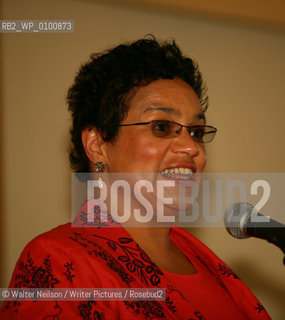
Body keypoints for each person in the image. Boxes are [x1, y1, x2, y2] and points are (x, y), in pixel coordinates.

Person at [1, 37, 271, 320]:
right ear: (97, 145)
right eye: (162, 127)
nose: (192, 147)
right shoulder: (60, 262)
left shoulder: (205, 262)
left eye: (197, 132)